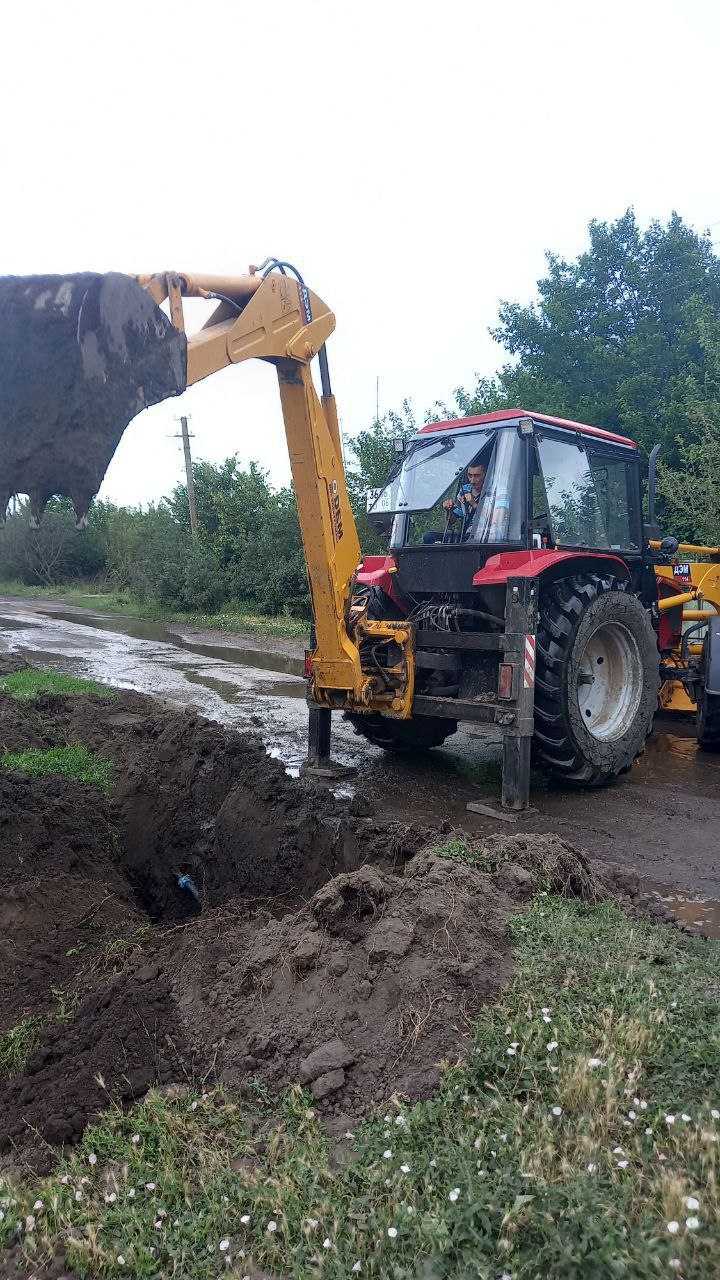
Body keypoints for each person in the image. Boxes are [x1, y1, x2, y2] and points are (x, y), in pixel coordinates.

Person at [421, 462, 487, 544]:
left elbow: (498, 518)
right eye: (470, 475)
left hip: (485, 536)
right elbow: (451, 521)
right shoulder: (464, 489)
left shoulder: (496, 490)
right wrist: (449, 510)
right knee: (429, 537)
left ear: (486, 474)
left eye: (477, 476)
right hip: (465, 535)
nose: (472, 481)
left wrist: (474, 504)